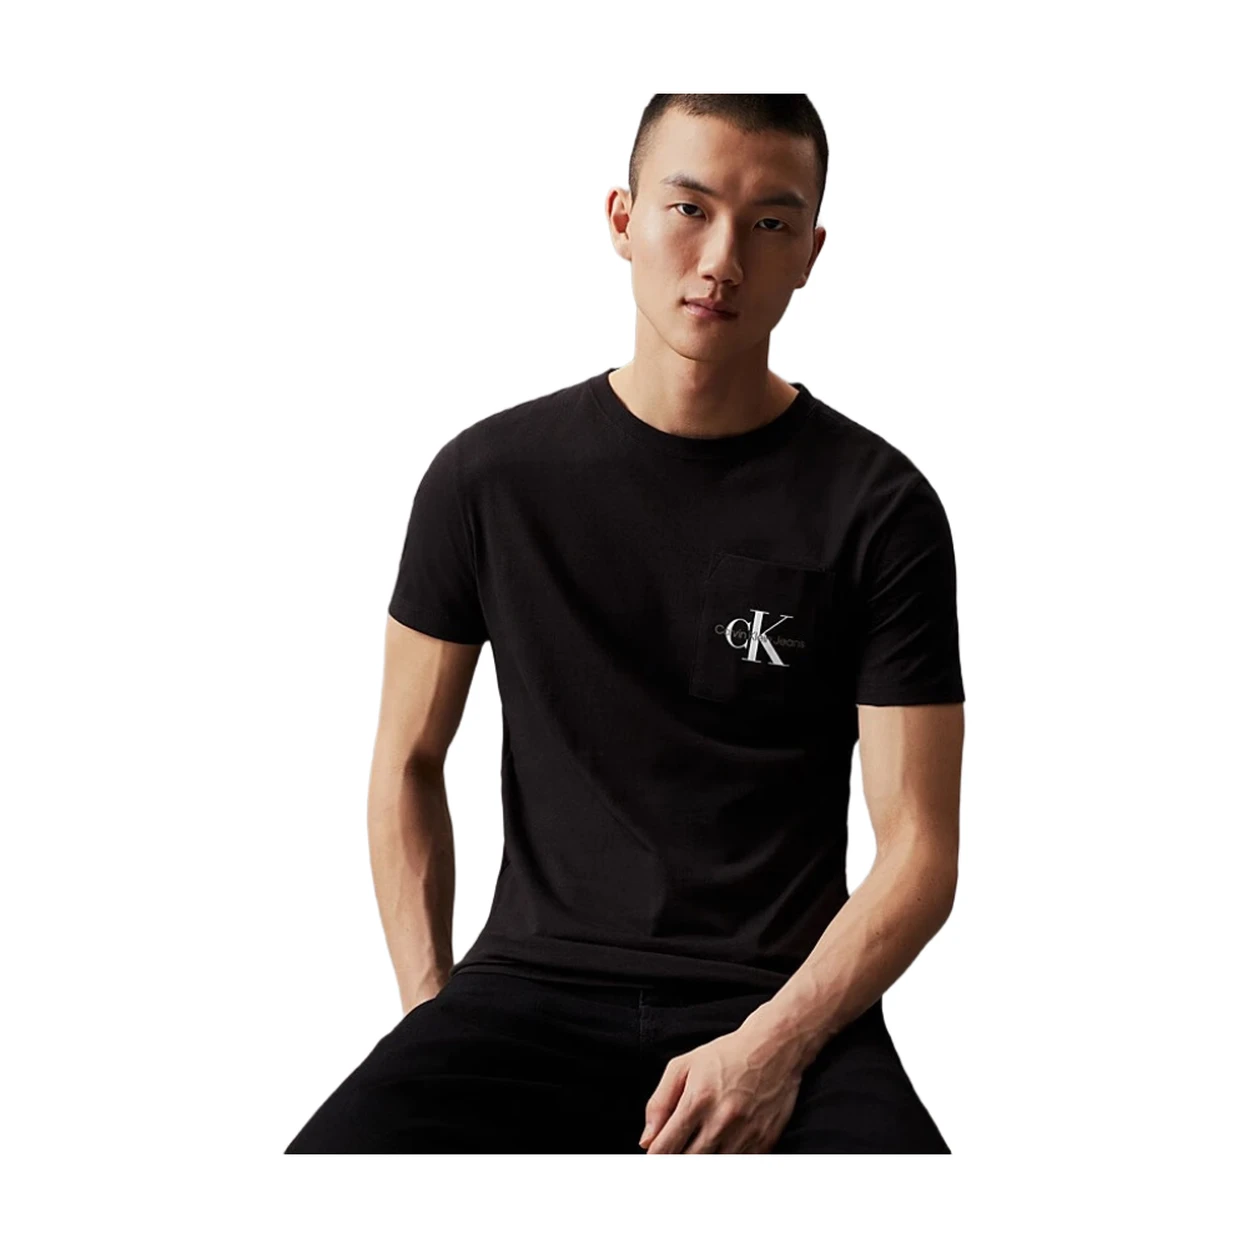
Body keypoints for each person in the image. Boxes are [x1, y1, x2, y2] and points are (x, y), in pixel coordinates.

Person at [285, 94, 965, 1154]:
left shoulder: (880, 508)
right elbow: (407, 761)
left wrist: (773, 1046)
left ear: (811, 253)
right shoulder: (486, 480)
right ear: (622, 219)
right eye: (690, 208)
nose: (722, 258)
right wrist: (431, 1018)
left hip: (781, 1001)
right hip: (527, 992)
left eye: (770, 223)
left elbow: (919, 848)